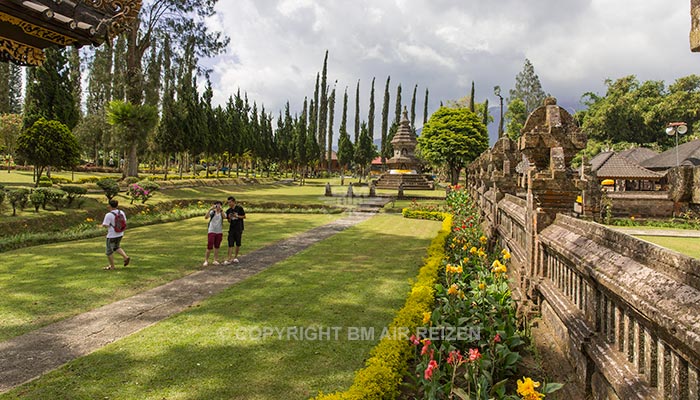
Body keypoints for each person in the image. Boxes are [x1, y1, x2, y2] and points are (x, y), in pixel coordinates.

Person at [101, 199, 130, 270]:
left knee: (109, 251)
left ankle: (112, 266)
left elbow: (105, 225)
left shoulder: (108, 215)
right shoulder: (121, 212)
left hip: (111, 235)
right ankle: (125, 257)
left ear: (109, 206)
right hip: (120, 233)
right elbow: (124, 221)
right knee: (116, 247)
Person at [224, 196, 246, 264]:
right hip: (232, 228)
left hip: (239, 228)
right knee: (230, 243)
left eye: (230, 202)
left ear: (233, 202)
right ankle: (229, 258)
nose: (229, 204)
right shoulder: (228, 210)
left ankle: (235, 257)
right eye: (228, 202)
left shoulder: (239, 208)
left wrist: (237, 216)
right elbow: (228, 220)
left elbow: (244, 216)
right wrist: (230, 218)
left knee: (238, 243)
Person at [203, 200, 225, 267]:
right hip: (211, 230)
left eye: (219, 205)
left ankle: (215, 260)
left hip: (219, 231)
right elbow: (206, 217)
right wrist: (210, 209)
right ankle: (206, 260)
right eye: (217, 205)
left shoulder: (222, 212)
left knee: (217, 246)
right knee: (209, 245)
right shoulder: (212, 212)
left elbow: (225, 217)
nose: (218, 206)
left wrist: (221, 210)